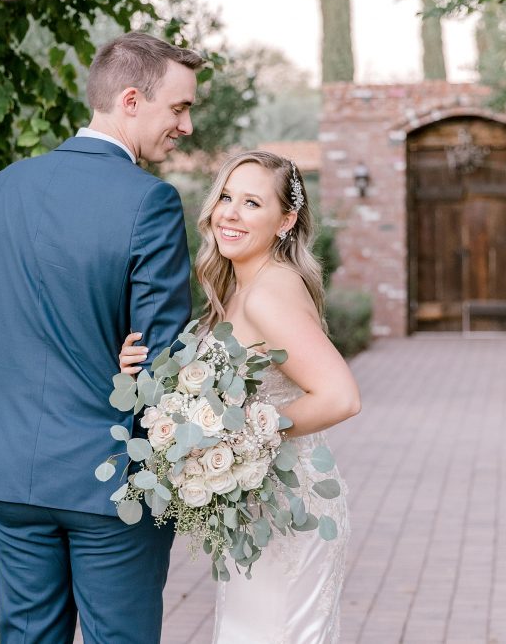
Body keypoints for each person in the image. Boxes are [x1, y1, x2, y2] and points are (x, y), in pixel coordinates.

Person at [0, 32, 203, 643]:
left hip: (13, 472)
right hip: (113, 483)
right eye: (179, 107)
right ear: (130, 100)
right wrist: (156, 473)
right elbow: (163, 362)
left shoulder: (4, 187)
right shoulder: (150, 202)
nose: (187, 126)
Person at [119, 150, 361, 643]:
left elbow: (340, 396)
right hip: (261, 507)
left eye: (252, 203)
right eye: (226, 197)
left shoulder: (269, 291)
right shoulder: (240, 287)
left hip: (289, 510)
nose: (229, 212)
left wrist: (244, 438)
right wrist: (142, 371)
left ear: (285, 220)